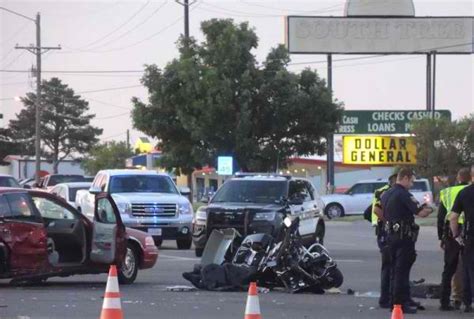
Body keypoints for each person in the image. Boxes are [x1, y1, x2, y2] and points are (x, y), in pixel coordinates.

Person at [381, 168, 434, 314]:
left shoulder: (386, 194)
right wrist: (430, 208)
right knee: (401, 273)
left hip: (390, 236)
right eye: (411, 181)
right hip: (404, 238)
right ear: (404, 178)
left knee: (393, 272)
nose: (412, 184)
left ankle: (397, 301)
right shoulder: (404, 194)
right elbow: (421, 213)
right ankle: (399, 304)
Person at [438, 168, 471, 310]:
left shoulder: (447, 192)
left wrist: (442, 237)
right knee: (468, 268)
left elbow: (442, 217)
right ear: (469, 178)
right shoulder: (468, 190)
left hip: (452, 234)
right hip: (468, 232)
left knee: (449, 268)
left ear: (458, 178)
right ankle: (467, 302)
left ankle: (444, 302)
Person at [449, 165, 474, 313]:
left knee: (468, 269)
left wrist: (456, 235)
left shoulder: (464, 193)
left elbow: (453, 217)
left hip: (470, 236)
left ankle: (467, 303)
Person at [371, 173, 397, 308]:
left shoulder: (387, 192)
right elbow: (376, 210)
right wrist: (389, 222)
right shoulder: (385, 193)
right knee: (388, 267)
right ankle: (386, 298)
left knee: (391, 267)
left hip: (387, 232)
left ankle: (390, 297)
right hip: (385, 233)